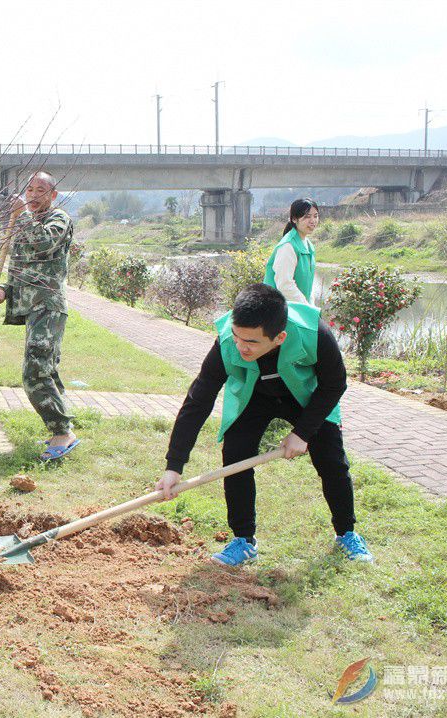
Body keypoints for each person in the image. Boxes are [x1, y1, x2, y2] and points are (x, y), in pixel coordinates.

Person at [156, 283, 373, 566]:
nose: (240, 346)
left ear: (279, 337)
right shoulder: (226, 343)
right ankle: (244, 540)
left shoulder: (314, 334)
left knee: (332, 461)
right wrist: (174, 466)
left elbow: (334, 384)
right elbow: (198, 401)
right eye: (237, 337)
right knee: (235, 456)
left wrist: (302, 432)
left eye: (251, 342)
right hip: (253, 395)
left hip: (304, 396)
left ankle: (346, 533)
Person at [0, 172, 77, 461]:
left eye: (41, 190)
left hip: (48, 305)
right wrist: (4, 290)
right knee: (45, 368)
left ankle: (63, 430)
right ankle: (59, 428)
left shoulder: (58, 220)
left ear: (53, 195)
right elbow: (21, 266)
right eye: (29, 189)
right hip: (33, 306)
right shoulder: (27, 221)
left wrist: (21, 216)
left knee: (34, 370)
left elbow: (44, 244)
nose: (33, 195)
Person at [264, 198, 319, 305]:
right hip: (281, 311)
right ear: (294, 219)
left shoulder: (308, 245)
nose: (313, 221)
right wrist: (307, 308)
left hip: (299, 307)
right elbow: (284, 285)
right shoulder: (288, 246)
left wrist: (311, 307)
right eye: (307, 217)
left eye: (315, 216)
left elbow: (309, 285)